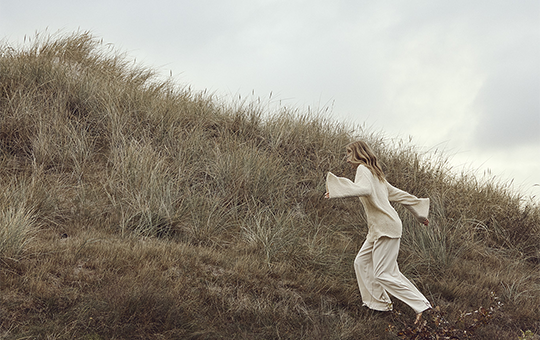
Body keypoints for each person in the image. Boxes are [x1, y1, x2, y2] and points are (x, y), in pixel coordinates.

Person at [324, 141, 431, 324]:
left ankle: (423, 307)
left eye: (349, 153)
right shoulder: (375, 173)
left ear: (358, 154)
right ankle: (379, 305)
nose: (347, 158)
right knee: (361, 262)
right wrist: (420, 213)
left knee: (384, 273)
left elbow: (364, 189)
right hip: (378, 229)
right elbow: (398, 194)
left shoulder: (364, 170)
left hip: (386, 227)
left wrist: (336, 188)